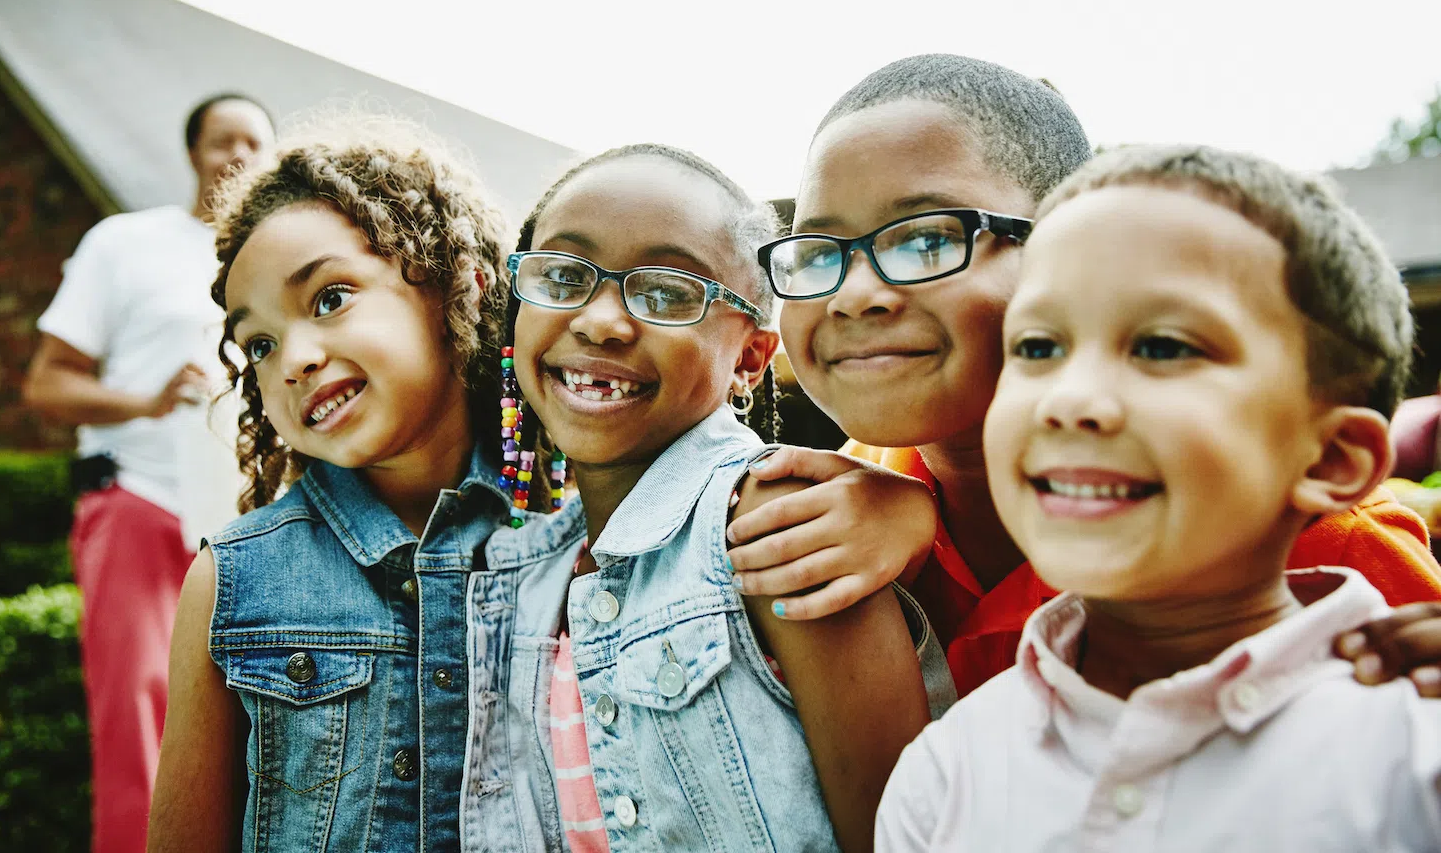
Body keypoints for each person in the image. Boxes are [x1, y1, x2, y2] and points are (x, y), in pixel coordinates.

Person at [726, 54, 1441, 698]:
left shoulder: (1308, 547)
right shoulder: (819, 515)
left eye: (926, 238)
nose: (854, 294)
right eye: (819, 249)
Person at [875, 143, 1441, 851]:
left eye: (1164, 347)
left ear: (1331, 457)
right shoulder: (946, 774)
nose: (1069, 400)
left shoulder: (1414, 744)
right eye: (1039, 347)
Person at [146, 119, 591, 853]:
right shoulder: (232, 579)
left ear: (463, 284)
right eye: (258, 342)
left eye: (328, 299)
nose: (294, 359)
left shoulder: (576, 538)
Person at [503, 144, 948, 853]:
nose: (600, 322)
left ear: (749, 358)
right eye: (562, 276)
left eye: (668, 293)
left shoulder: (779, 523)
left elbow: (901, 839)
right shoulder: (521, 560)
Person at [22, 93, 274, 853]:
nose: (238, 156)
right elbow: (46, 385)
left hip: (244, 524)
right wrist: (147, 398)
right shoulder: (125, 243)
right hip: (135, 500)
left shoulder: (275, 261)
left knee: (245, 729)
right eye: (222, 140)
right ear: (192, 152)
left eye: (255, 143)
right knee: (134, 713)